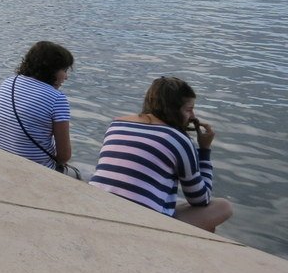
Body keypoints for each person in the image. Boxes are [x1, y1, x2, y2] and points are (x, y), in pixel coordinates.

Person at [89, 77, 233, 232]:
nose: (192, 117)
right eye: (189, 109)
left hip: (97, 205)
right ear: (172, 109)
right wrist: (204, 151)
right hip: (138, 222)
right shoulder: (178, 139)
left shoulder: (117, 124)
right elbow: (200, 199)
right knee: (222, 207)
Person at [0, 41, 74, 170]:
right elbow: (64, 155)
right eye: (64, 70)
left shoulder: (8, 82)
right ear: (51, 69)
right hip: (34, 169)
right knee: (83, 175)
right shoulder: (57, 99)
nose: (66, 77)